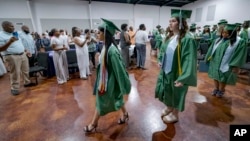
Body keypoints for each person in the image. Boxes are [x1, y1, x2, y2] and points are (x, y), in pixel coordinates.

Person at [83, 18, 131, 133]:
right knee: (117, 98)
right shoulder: (106, 46)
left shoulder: (112, 50)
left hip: (108, 81)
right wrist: (100, 56)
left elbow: (119, 69)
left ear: (105, 33)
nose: (97, 34)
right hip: (105, 78)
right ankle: (125, 114)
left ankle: (93, 124)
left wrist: (123, 85)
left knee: (100, 101)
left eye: (99, 32)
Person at [155, 9, 197, 123]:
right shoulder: (170, 37)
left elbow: (189, 59)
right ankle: (169, 107)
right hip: (167, 71)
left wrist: (183, 78)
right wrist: (160, 60)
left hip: (178, 72)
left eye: (173, 21)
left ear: (181, 23)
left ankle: (175, 114)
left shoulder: (187, 39)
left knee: (177, 92)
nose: (170, 23)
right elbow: (163, 51)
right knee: (168, 90)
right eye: (169, 21)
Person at [205, 24, 247, 97]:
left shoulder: (238, 42)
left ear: (232, 33)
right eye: (223, 32)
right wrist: (207, 58)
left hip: (226, 63)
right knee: (215, 76)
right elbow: (210, 50)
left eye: (227, 33)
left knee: (223, 77)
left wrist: (235, 65)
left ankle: (221, 90)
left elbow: (239, 54)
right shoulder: (217, 40)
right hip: (215, 61)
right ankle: (216, 88)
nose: (224, 34)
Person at [0, 21, 35, 96]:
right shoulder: (1, 35)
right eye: (11, 26)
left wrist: (26, 51)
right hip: (12, 56)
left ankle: (27, 82)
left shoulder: (15, 33)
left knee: (26, 70)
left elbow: (20, 44)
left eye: (13, 26)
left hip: (23, 54)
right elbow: (0, 49)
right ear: (4, 27)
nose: (13, 27)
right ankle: (14, 88)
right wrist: (10, 41)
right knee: (15, 73)